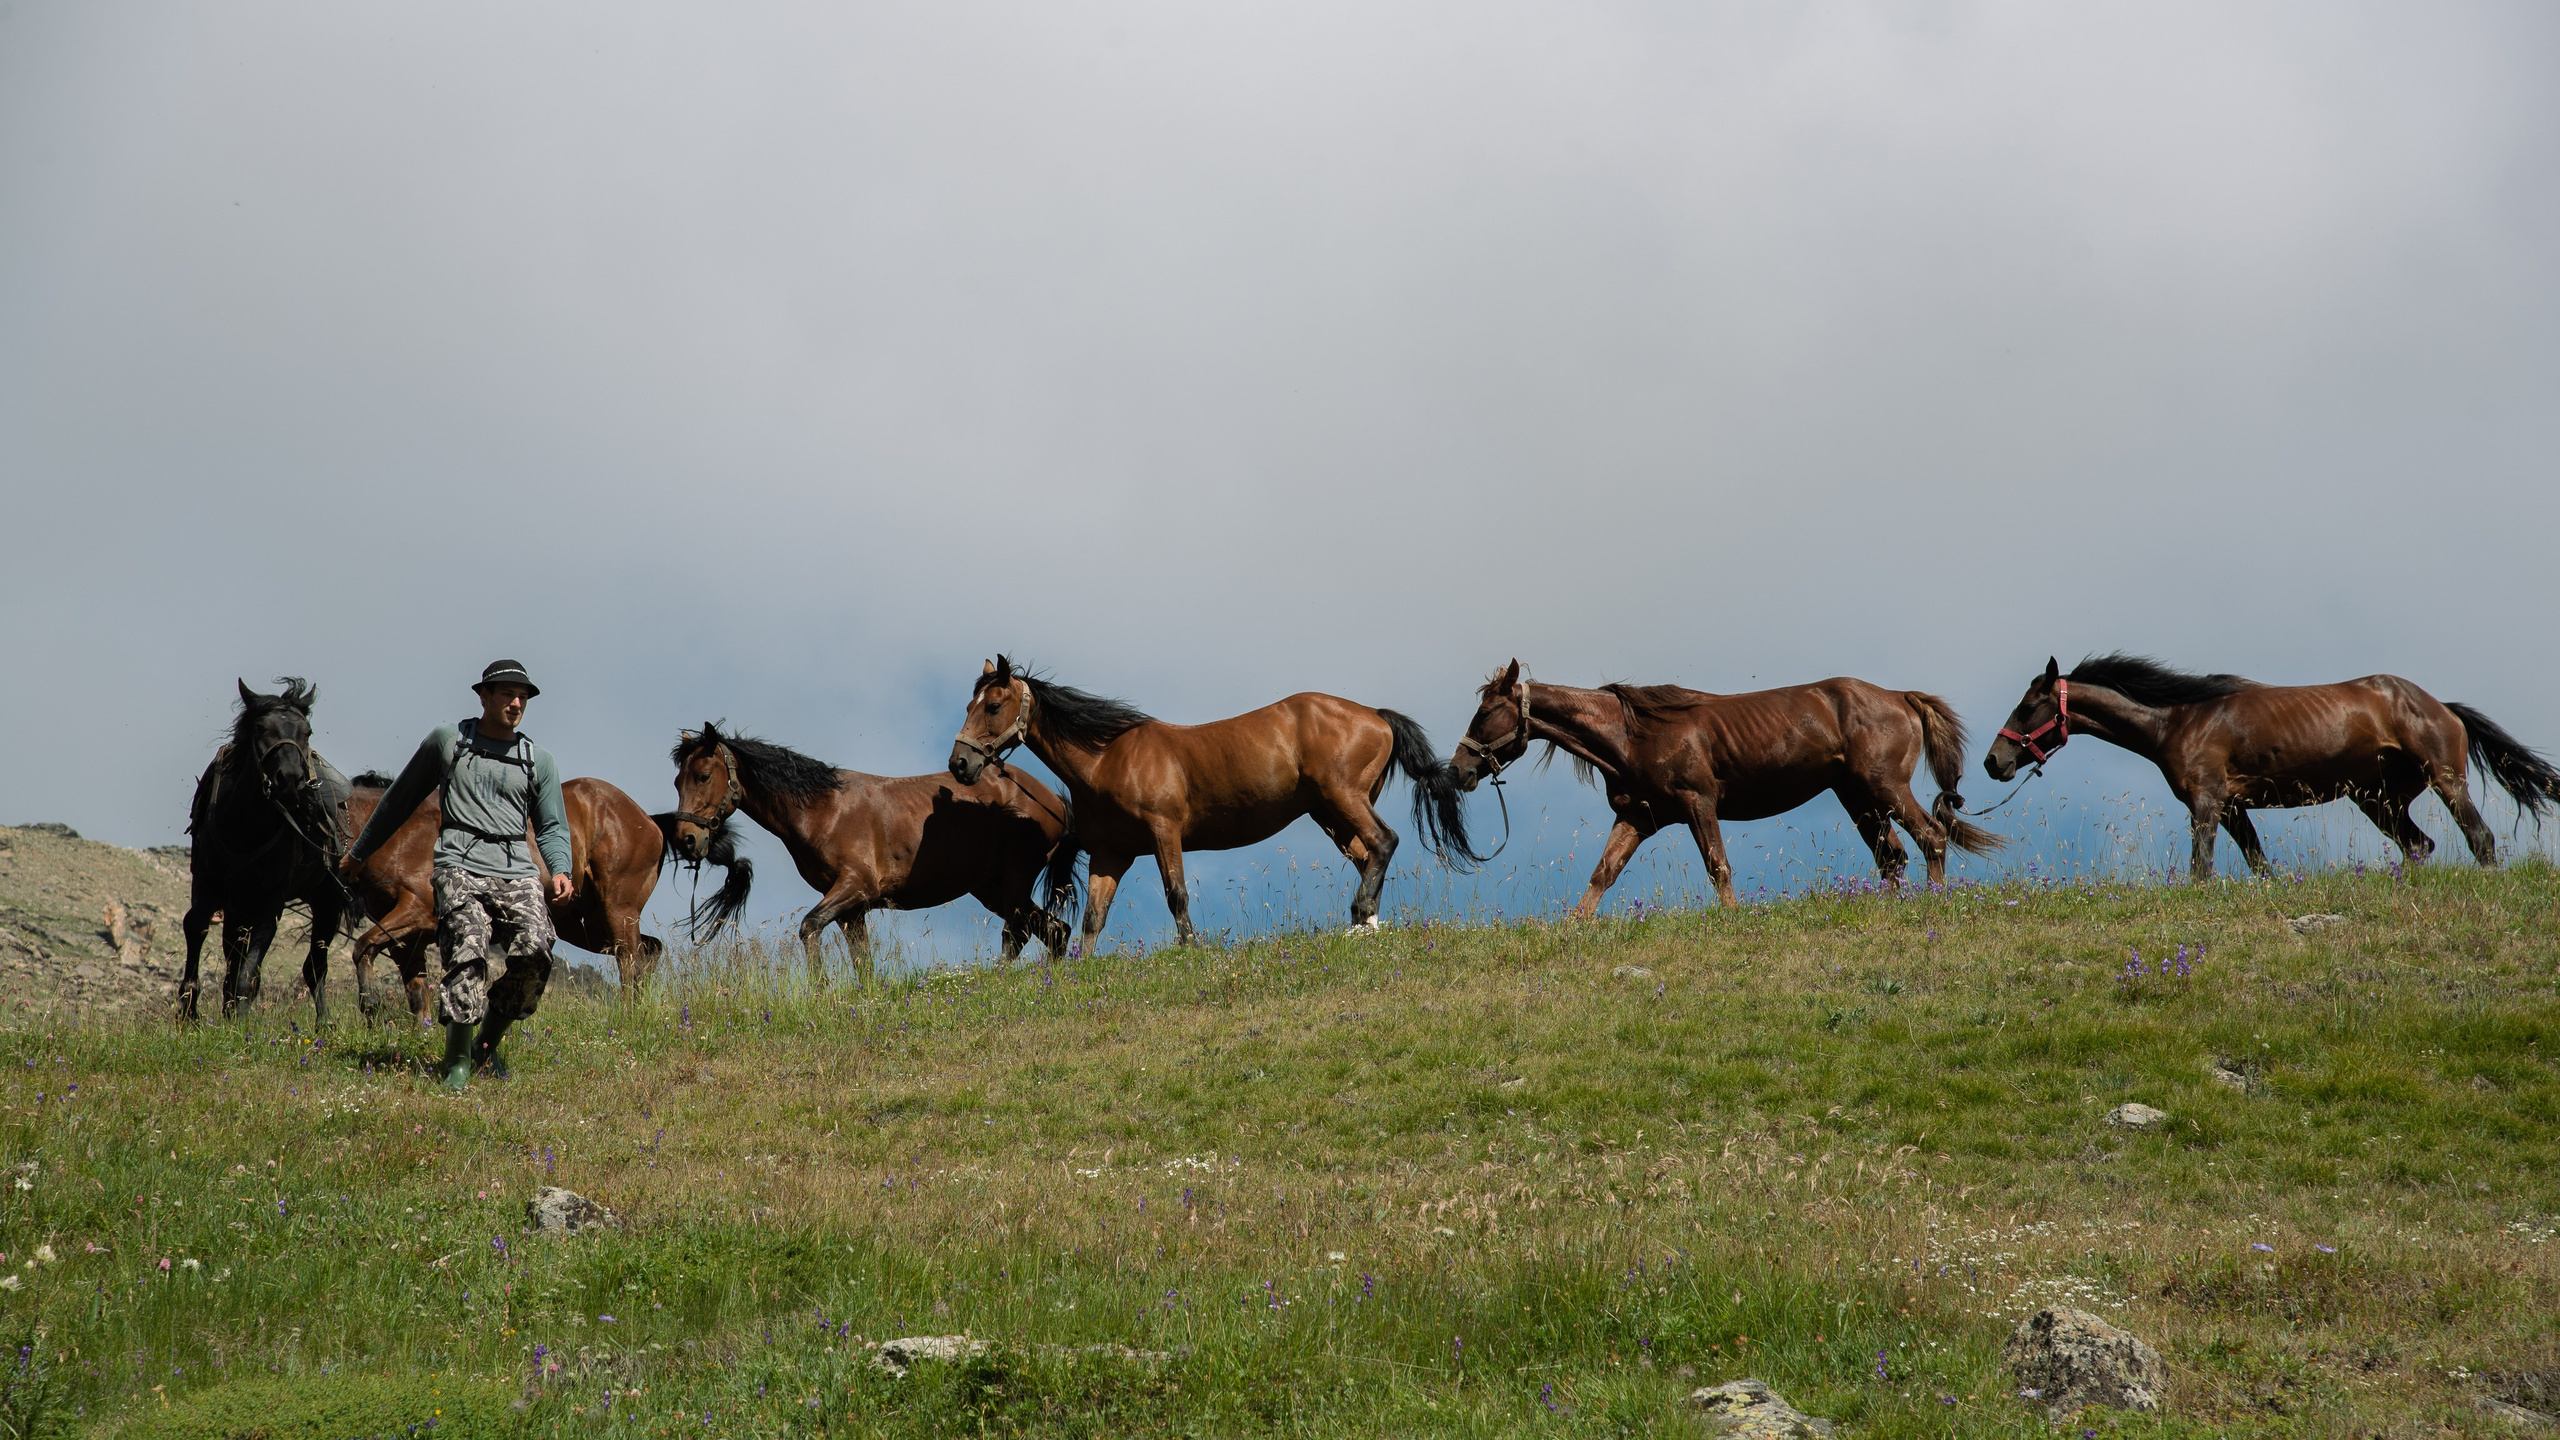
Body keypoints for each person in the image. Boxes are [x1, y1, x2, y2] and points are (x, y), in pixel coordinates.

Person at [344, 660, 572, 1090]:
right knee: (467, 953)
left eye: (522, 695)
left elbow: (553, 826)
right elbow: (398, 799)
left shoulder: (537, 760)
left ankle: (486, 1046)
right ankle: (457, 1064)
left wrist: (561, 869)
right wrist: (360, 852)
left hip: (516, 870)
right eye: (505, 693)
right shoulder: (449, 742)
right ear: (483, 697)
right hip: (459, 865)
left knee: (537, 951)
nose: (516, 702)